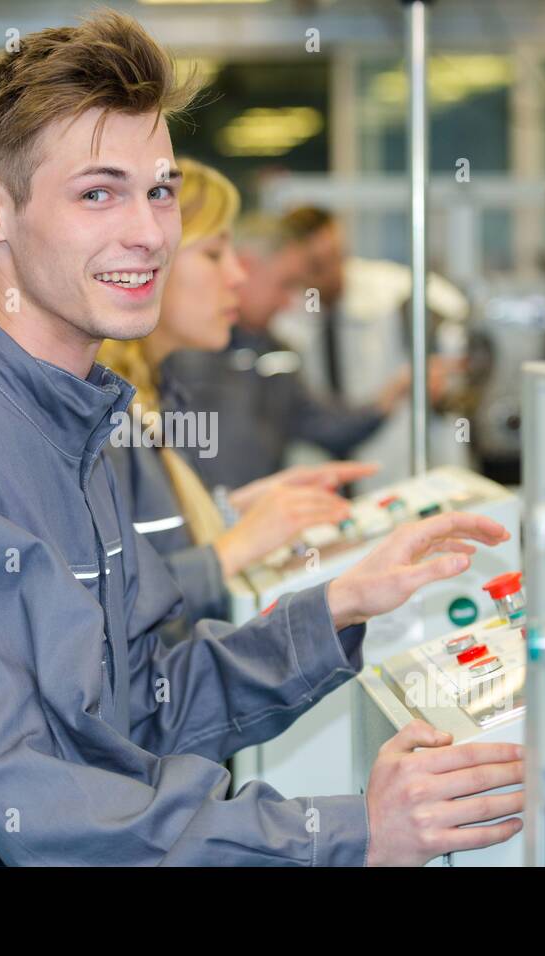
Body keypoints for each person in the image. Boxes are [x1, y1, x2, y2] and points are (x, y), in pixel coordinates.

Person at [0, 9, 522, 866]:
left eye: (160, 189)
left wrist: (339, 606)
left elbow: (138, 709)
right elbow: (40, 801)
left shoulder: (77, 419)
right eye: (97, 193)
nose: (148, 233)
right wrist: (350, 831)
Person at [97, 159, 377, 625]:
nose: (237, 277)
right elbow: (112, 616)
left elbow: (158, 544)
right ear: (145, 259)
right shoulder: (103, 418)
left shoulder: (148, 395)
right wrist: (237, 545)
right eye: (213, 255)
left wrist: (235, 511)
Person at [165, 212, 407, 491]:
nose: (287, 303)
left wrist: (393, 395)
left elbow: (324, 424)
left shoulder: (275, 353)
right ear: (246, 267)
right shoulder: (179, 350)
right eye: (285, 284)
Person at [274, 206, 470, 483]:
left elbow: (458, 324)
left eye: (334, 259)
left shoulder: (392, 289)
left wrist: (440, 374)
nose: (328, 274)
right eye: (313, 266)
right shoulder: (284, 306)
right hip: (318, 461)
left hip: (390, 459)